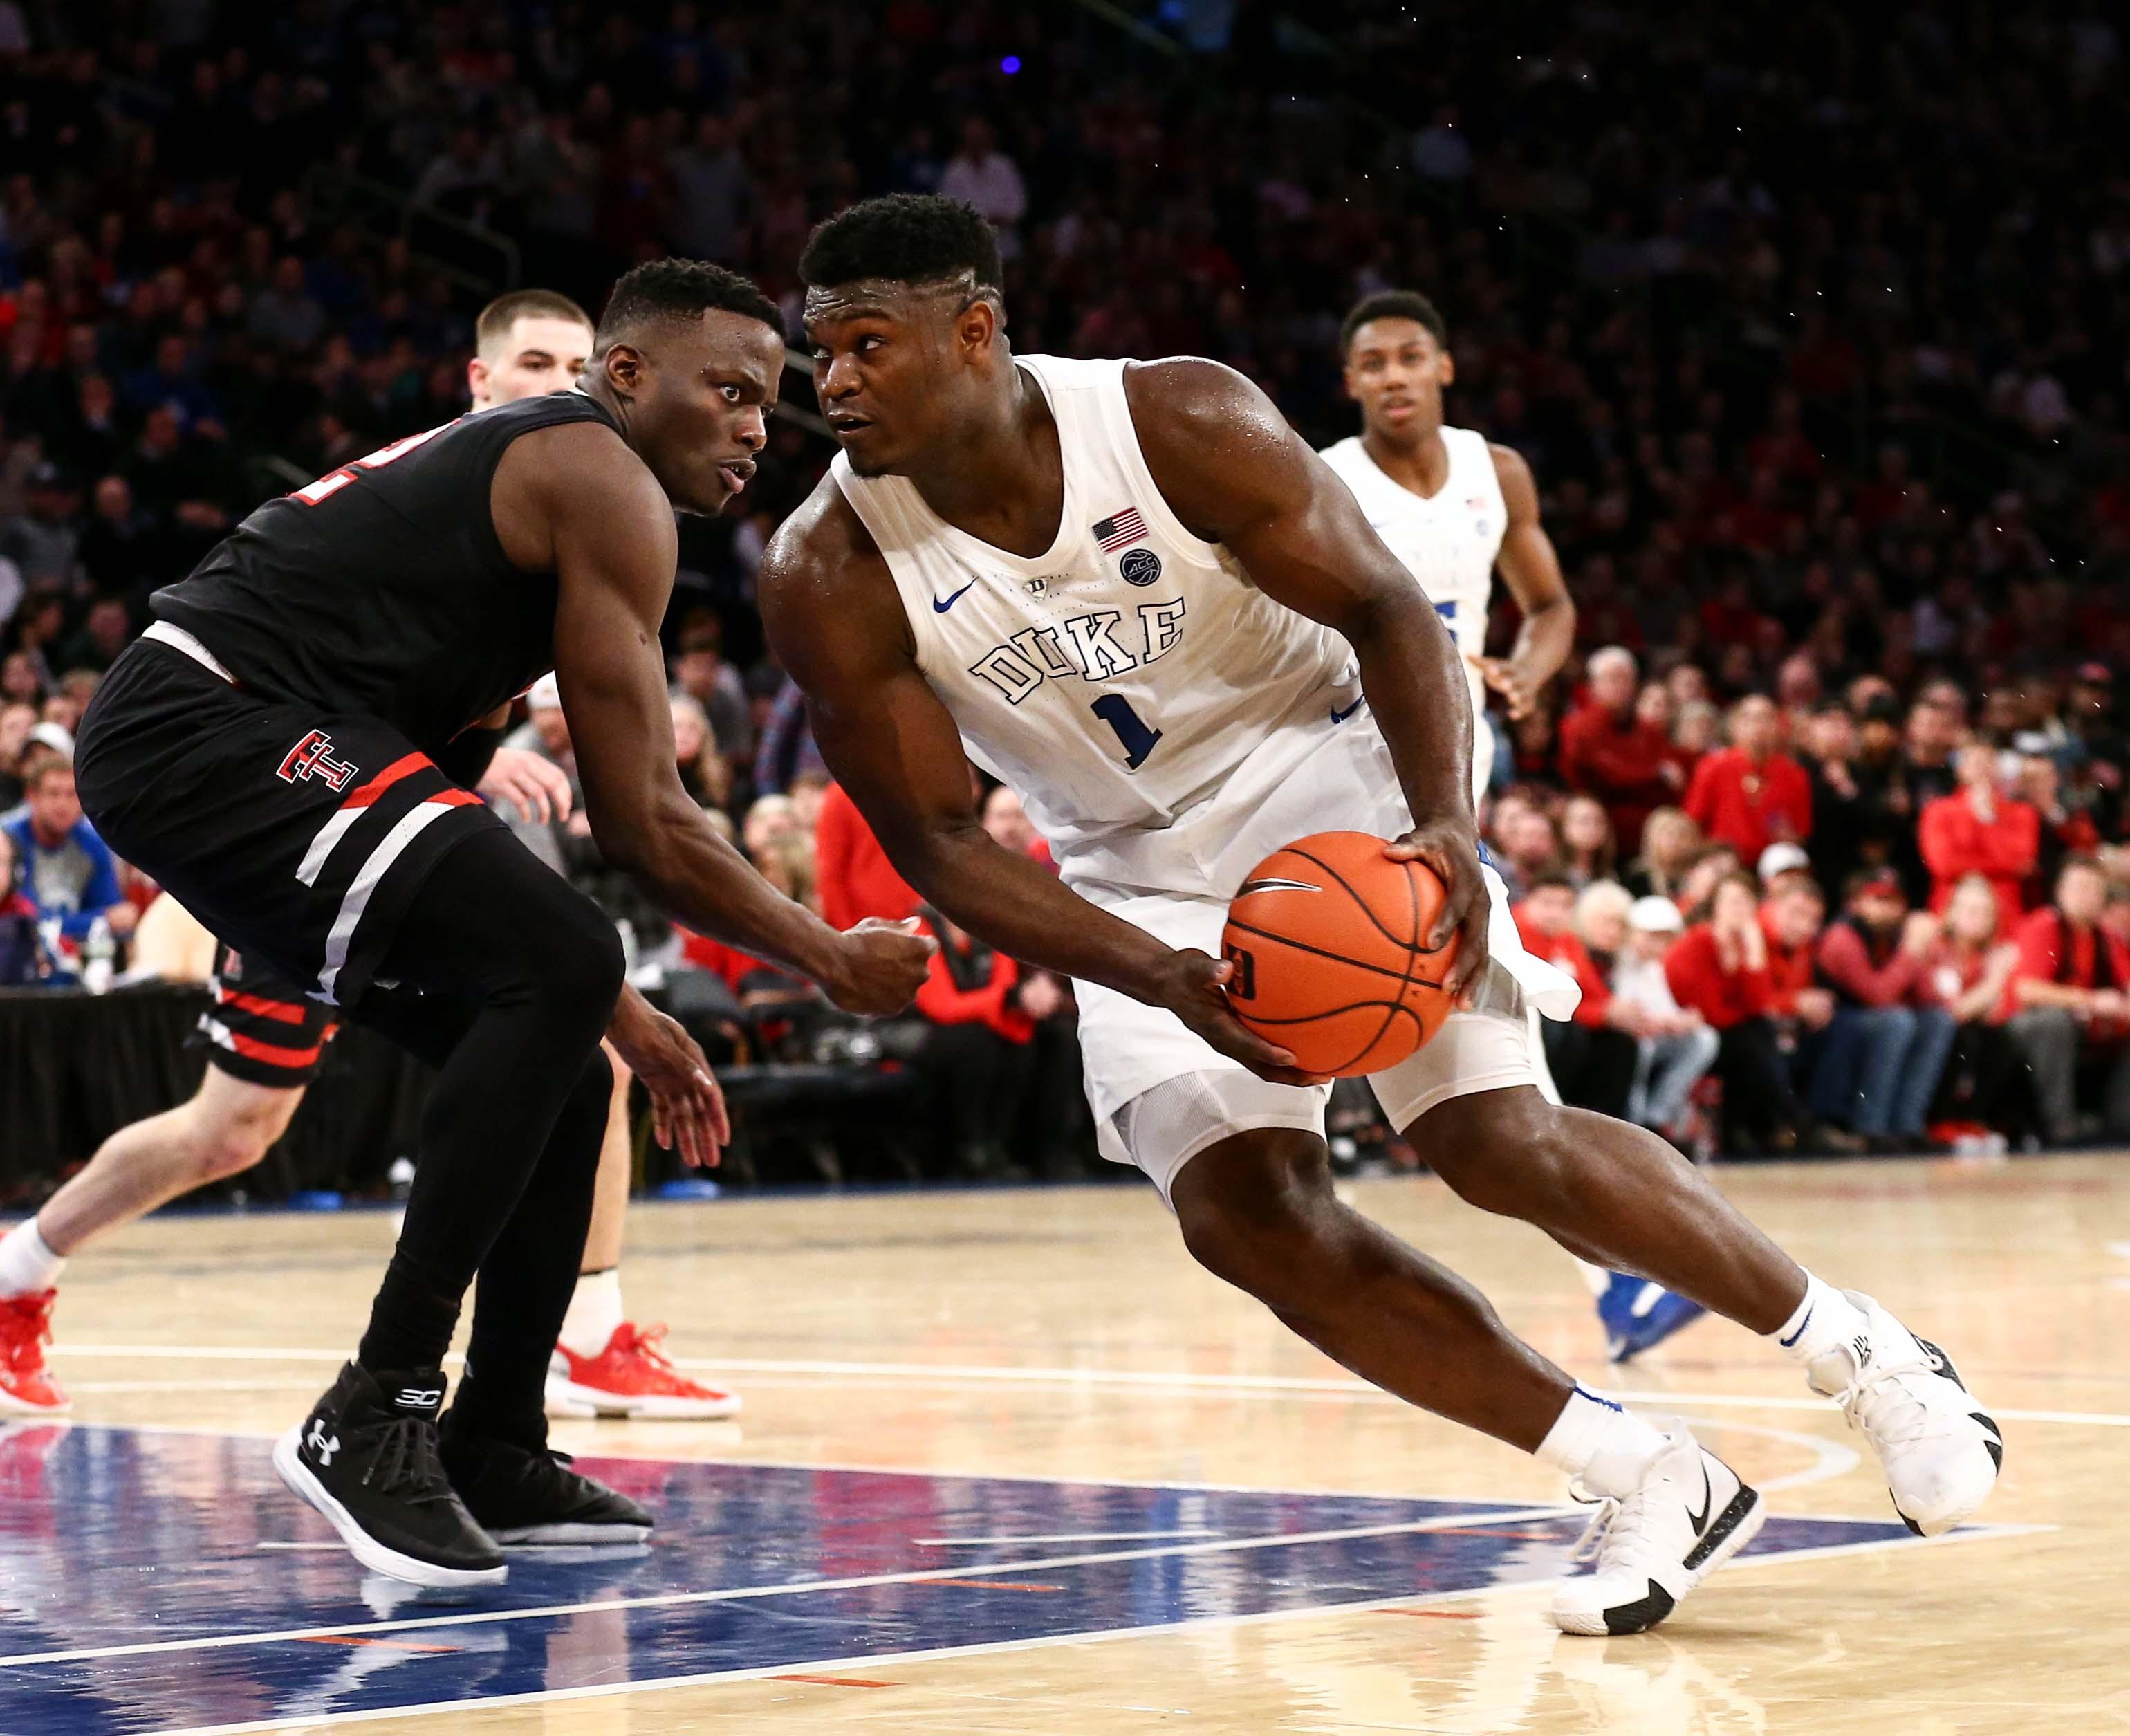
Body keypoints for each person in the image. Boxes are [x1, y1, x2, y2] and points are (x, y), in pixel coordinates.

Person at [758, 195, 1999, 1636]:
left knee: (1489, 1139)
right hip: (1125, 869)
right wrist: (1157, 972)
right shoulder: (827, 568)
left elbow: (1393, 615)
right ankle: (1644, 1470)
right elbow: (941, 840)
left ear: (974, 332)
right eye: (819, 351)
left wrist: (1447, 831)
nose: (830, 383)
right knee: (1241, 1216)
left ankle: (1862, 1353)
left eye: (865, 346)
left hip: (1327, 779)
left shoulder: (1173, 422)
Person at [57, 259, 934, 1584]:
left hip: (257, 740)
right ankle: (380, 1405)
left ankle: (493, 1445)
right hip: (211, 721)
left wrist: (622, 1017)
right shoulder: (598, 475)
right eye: (734, 393)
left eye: (773, 405)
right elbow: (645, 820)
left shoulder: (531, 503)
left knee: (572, 1070)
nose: (760, 427)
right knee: (570, 964)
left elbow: (458, 828)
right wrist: (821, 953)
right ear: (627, 374)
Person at [0, 291, 744, 1431]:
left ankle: (570, 1333)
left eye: (577, 362)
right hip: (295, 802)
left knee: (568, 1035)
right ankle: (33, 1279)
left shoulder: (577, 510)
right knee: (240, 1126)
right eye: (536, 361)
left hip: (369, 812)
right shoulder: (450, 490)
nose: (561, 379)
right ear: (479, 383)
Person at [1317, 288, 1696, 1360]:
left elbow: (1554, 609)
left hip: (1457, 759)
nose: (1393, 376)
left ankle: (1613, 1275)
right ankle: (1616, 1273)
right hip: (1350, 748)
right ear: (1351, 384)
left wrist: (1525, 675)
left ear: (1445, 366)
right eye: (1372, 362)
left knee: (1482, 1020)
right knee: (1483, 1020)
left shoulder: (1499, 473)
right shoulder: (1327, 478)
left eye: (1409, 357)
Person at [1813, 869, 1957, 1152]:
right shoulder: (1842, 936)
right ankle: (1872, 1126)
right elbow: (1877, 995)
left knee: (1938, 1021)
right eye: (1877, 899)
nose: (1887, 908)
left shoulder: (1897, 937)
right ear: (1856, 903)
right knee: (1897, 1021)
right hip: (1839, 1024)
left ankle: (1908, 1124)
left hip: (1882, 1019)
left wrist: (1930, 952)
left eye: (1893, 900)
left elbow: (1928, 998)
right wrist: (1913, 951)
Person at [2002, 856, 2130, 1145]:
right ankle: (2059, 1127)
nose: (2087, 897)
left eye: (2094, 889)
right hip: (2020, 1034)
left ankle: (2120, 1123)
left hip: (2081, 1033)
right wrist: (2091, 1001)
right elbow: (2027, 991)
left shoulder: (2106, 936)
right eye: (2079, 888)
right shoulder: (2044, 926)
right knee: (2054, 1022)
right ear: (2061, 891)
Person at [1921, 874, 2026, 1145]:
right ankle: (1941, 1120)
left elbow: (1997, 1015)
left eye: (1986, 912)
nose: (1978, 918)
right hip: (1931, 1032)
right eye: (1971, 910)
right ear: (1952, 913)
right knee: (1958, 1034)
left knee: (2002, 1037)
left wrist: (1996, 983)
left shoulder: (1988, 955)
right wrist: (1996, 980)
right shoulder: (1936, 949)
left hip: (1970, 1037)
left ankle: (1974, 1118)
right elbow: (1954, 1012)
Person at [0, 749, 137, 948]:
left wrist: (103, 920)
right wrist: (98, 920)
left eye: (71, 795)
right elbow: (24, 921)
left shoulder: (92, 843)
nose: (62, 805)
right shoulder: (9, 842)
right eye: (53, 794)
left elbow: (117, 916)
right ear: (32, 796)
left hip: (78, 957)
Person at [1613, 894, 1719, 1141]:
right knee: (1640, 1047)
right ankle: (1633, 1120)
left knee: (1704, 1039)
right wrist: (1662, 1022)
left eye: (1664, 939)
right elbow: (1626, 1010)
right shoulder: (1620, 961)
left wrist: (1683, 1020)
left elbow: (1664, 1011)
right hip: (1629, 1037)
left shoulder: (1653, 967)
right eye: (1652, 937)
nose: (1658, 946)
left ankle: (1657, 1116)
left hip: (1652, 1034)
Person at [1557, 647, 1680, 853]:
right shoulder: (1576, 728)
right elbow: (1602, 776)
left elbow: (1673, 781)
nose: (1620, 686)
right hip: (1600, 822)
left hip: (1645, 828)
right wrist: (1653, 774)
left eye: (1626, 679)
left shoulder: (1650, 731)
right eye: (1612, 679)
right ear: (1593, 685)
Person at [1918, 744, 2038, 936]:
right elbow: (1943, 864)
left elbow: (2021, 862)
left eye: (1988, 761)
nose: (1981, 768)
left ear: (1998, 769)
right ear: (1960, 770)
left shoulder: (2022, 812)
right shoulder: (1938, 810)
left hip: (2006, 916)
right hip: (1951, 910)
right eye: (1974, 762)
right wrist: (1998, 867)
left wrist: (1988, 819)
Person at [1684, 694, 1813, 863]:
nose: (1758, 726)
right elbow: (1693, 822)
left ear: (1778, 726)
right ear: (1735, 725)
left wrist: (1789, 839)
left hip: (1773, 863)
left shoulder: (1795, 774)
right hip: (1724, 862)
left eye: (1766, 718)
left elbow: (1802, 833)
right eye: (1749, 719)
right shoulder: (1713, 766)